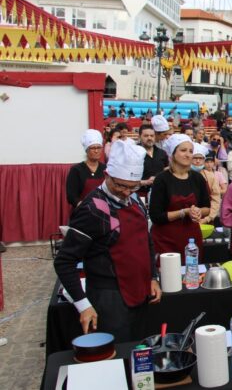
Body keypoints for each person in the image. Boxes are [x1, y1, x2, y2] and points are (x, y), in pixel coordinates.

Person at [54, 139, 161, 342]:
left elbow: (145, 240)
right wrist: (83, 304)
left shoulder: (135, 200)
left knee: (138, 348)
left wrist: (152, 277)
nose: (125, 192)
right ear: (107, 175)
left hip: (140, 290)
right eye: (120, 185)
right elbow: (64, 261)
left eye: (133, 187)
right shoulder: (92, 209)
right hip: (109, 297)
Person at [149, 134, 211, 261]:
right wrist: (184, 212)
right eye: (183, 150)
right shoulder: (161, 179)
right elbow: (156, 216)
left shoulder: (197, 178)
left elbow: (207, 207)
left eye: (190, 151)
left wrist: (199, 211)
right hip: (165, 240)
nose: (188, 155)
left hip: (191, 240)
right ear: (173, 153)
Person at [66, 129, 107, 209]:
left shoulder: (105, 169)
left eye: (99, 148)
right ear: (86, 150)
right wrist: (83, 206)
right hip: (82, 211)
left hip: (103, 210)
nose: (96, 151)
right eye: (93, 148)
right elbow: (71, 196)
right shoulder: (76, 170)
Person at [137, 124, 169, 199]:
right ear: (139, 137)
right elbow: (128, 179)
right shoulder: (133, 153)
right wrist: (146, 182)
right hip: (140, 194)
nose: (149, 138)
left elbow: (166, 170)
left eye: (152, 136)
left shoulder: (162, 153)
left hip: (160, 193)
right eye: (146, 136)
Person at [192, 144, 221, 225]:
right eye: (195, 158)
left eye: (200, 158)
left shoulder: (210, 176)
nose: (197, 161)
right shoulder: (183, 175)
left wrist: (208, 218)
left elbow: (215, 199)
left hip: (206, 219)